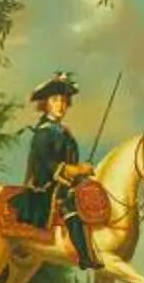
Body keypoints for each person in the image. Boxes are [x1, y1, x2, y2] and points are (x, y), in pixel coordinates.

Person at [14, 71, 97, 268]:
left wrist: (81, 173)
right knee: (70, 204)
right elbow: (49, 166)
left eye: (63, 100)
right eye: (55, 99)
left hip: (65, 183)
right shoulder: (44, 133)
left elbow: (71, 160)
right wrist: (78, 170)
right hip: (46, 186)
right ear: (46, 104)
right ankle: (84, 257)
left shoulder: (63, 131)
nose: (60, 104)